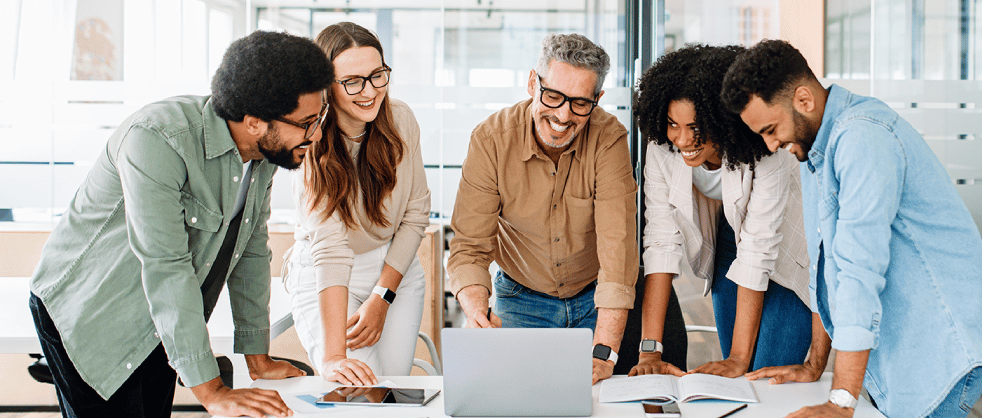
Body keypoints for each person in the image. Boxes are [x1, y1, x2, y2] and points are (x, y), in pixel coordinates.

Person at [28, 30, 334, 418]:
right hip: (93, 310)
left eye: (320, 116)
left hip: (161, 317)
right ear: (255, 121)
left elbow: (251, 248)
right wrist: (212, 393)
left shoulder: (263, 153)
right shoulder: (157, 139)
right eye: (307, 121)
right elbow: (165, 265)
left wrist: (257, 356)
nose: (318, 133)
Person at [721, 39, 982, 418]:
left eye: (770, 128)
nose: (771, 143)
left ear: (803, 99)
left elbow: (857, 271)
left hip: (944, 346)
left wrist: (841, 401)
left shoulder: (862, 138)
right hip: (907, 348)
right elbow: (824, 265)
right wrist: (815, 363)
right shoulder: (815, 146)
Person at [446, 33, 637, 384]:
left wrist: (604, 352)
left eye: (580, 103)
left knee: (595, 401)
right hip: (520, 297)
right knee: (514, 397)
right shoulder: (490, 140)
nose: (564, 115)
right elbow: (469, 248)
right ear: (533, 82)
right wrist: (476, 311)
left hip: (595, 299)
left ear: (598, 99)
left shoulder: (609, 139)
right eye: (553, 96)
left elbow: (618, 251)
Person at [629, 44, 812, 378]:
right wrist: (650, 351)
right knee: (736, 373)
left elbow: (759, 249)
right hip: (728, 238)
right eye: (673, 124)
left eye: (696, 128)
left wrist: (740, 359)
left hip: (786, 249)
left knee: (766, 372)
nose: (682, 139)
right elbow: (660, 243)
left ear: (723, 119)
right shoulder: (662, 147)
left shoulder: (766, 148)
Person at [284, 22, 430, 387]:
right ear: (325, 87)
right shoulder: (309, 140)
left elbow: (415, 215)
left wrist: (383, 295)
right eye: (352, 81)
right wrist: (334, 358)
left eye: (377, 75)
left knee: (392, 390)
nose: (369, 92)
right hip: (330, 274)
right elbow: (331, 251)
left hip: (395, 271)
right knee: (360, 390)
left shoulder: (400, 119)